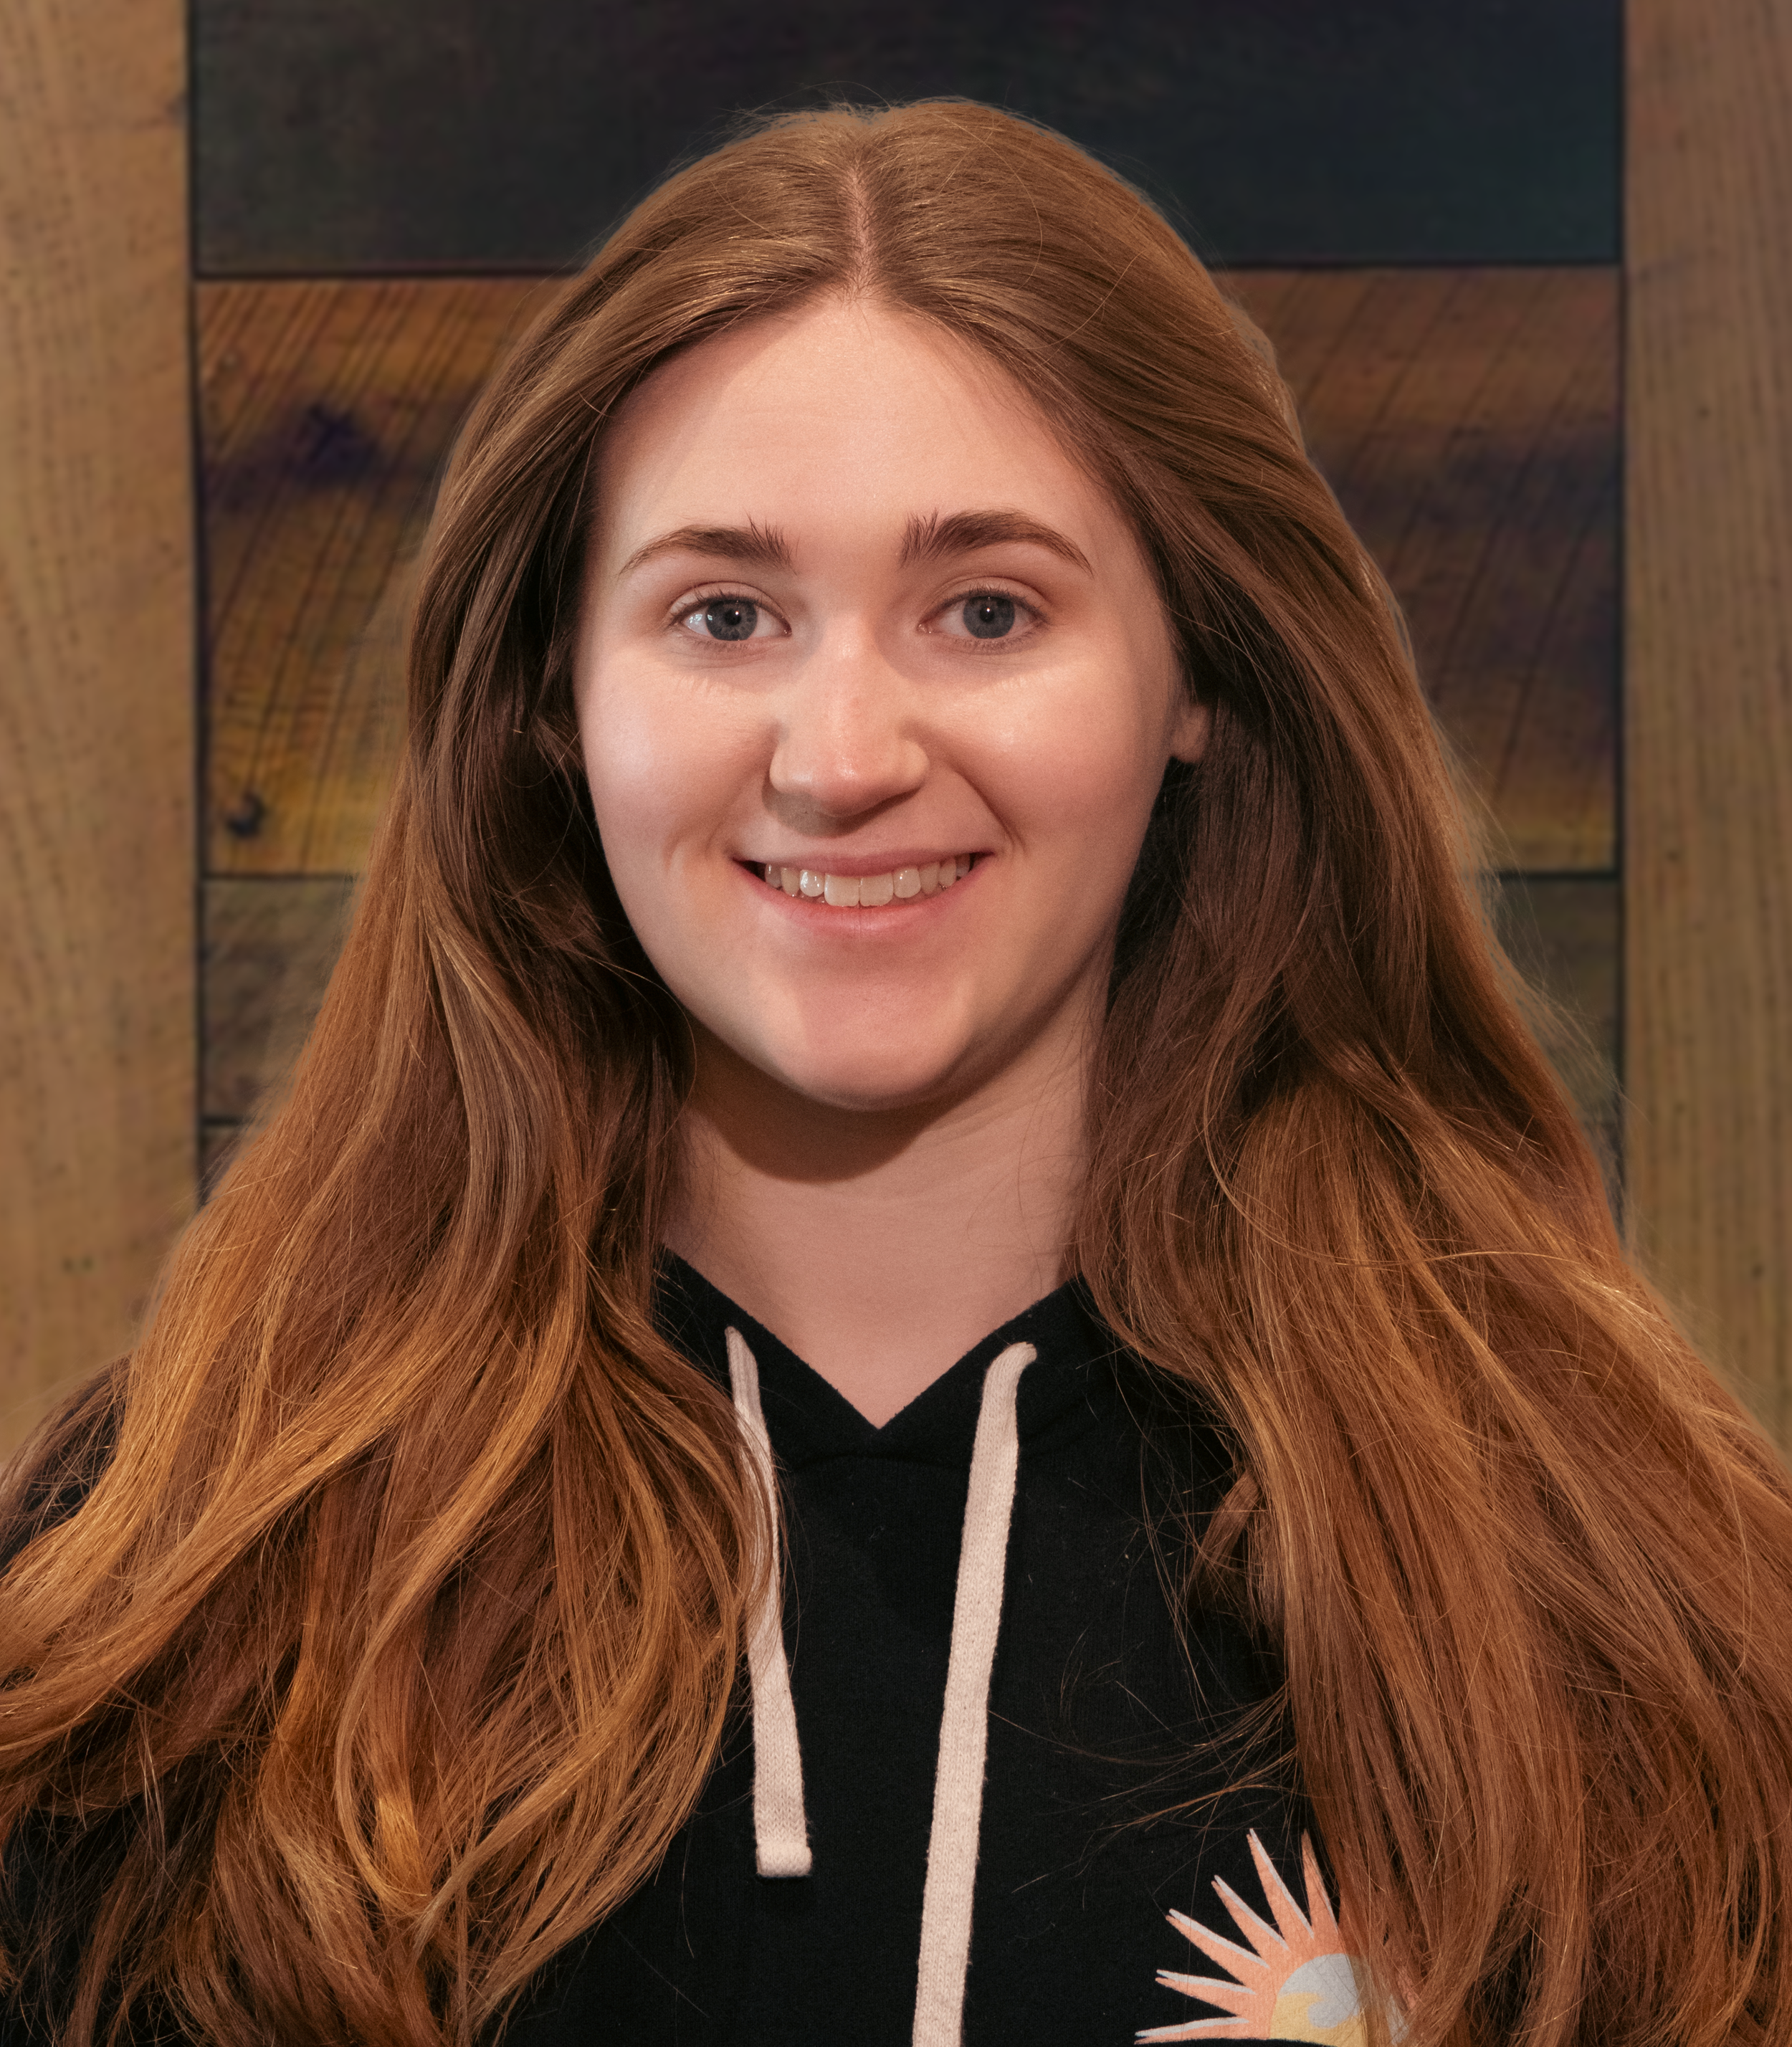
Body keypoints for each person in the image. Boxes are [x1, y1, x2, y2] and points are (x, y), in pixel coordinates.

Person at [3, 100, 1791, 2047]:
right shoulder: (165, 1605)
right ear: (551, 702)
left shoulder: (1615, 1588)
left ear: (1198, 675)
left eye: (987, 610)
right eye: (724, 615)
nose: (842, 755)